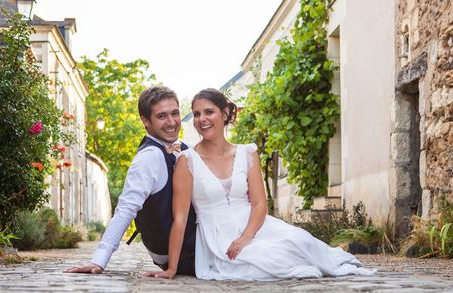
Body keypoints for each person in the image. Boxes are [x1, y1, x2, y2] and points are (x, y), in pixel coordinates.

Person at [146, 88, 376, 280]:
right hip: (218, 236)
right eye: (196, 114)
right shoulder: (187, 161)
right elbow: (180, 217)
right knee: (272, 260)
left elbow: (259, 204)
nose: (201, 119)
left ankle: (328, 261)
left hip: (255, 226)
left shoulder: (248, 153)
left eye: (209, 112)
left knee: (300, 240)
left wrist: (245, 237)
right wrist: (171, 269)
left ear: (225, 113)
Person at [66, 86, 197, 275]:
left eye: (175, 113)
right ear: (146, 121)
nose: (171, 122)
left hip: (195, 245)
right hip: (184, 255)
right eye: (161, 116)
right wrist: (99, 260)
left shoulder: (187, 148)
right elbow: (126, 208)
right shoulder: (148, 158)